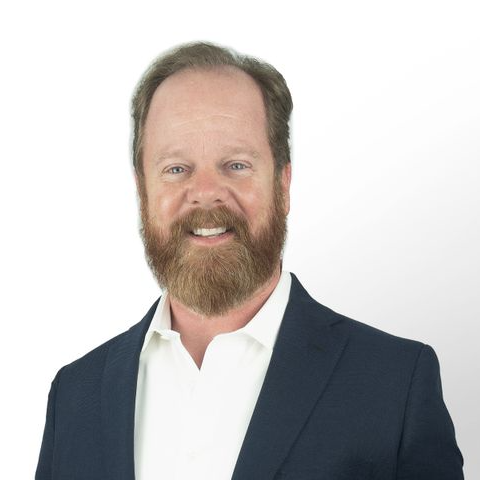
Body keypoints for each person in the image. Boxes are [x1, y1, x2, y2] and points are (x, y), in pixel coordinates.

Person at [35, 42, 464, 480]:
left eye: (236, 165)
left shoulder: (394, 385)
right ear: (142, 190)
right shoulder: (73, 396)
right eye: (176, 169)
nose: (206, 193)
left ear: (283, 184)